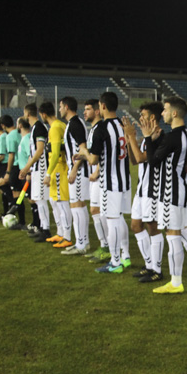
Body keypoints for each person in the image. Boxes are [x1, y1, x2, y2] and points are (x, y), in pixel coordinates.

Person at [143, 96, 187, 294]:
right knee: (182, 231)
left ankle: (175, 282)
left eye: (164, 110)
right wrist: (156, 140)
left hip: (171, 191)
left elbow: (154, 162)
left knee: (172, 235)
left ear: (174, 113)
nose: (162, 113)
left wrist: (148, 138)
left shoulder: (173, 137)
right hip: (182, 188)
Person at [82, 92, 132, 273]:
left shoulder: (101, 128)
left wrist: (83, 152)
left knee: (112, 221)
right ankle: (125, 256)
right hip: (124, 179)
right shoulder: (122, 124)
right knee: (119, 219)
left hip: (110, 182)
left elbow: (93, 160)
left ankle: (115, 262)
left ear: (102, 106)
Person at [122, 101, 165, 283]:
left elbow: (141, 157)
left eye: (143, 115)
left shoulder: (161, 137)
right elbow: (135, 160)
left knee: (152, 227)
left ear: (153, 117)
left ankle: (157, 269)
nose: (140, 119)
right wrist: (128, 140)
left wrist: (132, 137)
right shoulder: (148, 137)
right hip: (142, 188)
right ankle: (149, 265)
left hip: (153, 189)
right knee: (135, 225)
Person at [59, 97, 92, 255]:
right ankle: (82, 242)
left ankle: (82, 243)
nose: (59, 110)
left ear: (66, 107)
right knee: (77, 205)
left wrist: (74, 169)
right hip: (77, 170)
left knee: (77, 205)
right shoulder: (72, 123)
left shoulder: (75, 124)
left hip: (78, 171)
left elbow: (83, 148)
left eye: (60, 106)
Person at [82, 99, 110, 262]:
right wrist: (82, 155)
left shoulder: (100, 128)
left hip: (100, 176)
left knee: (99, 211)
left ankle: (108, 246)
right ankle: (104, 245)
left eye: (88, 109)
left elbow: (103, 153)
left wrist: (97, 171)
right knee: (95, 211)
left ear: (97, 111)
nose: (84, 112)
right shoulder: (93, 129)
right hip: (95, 175)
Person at [40, 101, 72, 244]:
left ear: (43, 114)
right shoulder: (60, 125)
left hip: (58, 169)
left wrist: (48, 173)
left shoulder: (54, 128)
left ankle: (67, 236)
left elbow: (55, 152)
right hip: (58, 169)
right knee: (55, 201)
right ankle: (60, 232)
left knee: (62, 202)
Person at [19, 103, 51, 241]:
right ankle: (42, 228)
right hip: (36, 168)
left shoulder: (38, 127)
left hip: (42, 167)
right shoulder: (35, 128)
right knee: (38, 199)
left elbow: (39, 150)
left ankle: (46, 230)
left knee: (41, 199)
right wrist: (28, 168)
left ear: (27, 114)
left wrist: (27, 168)